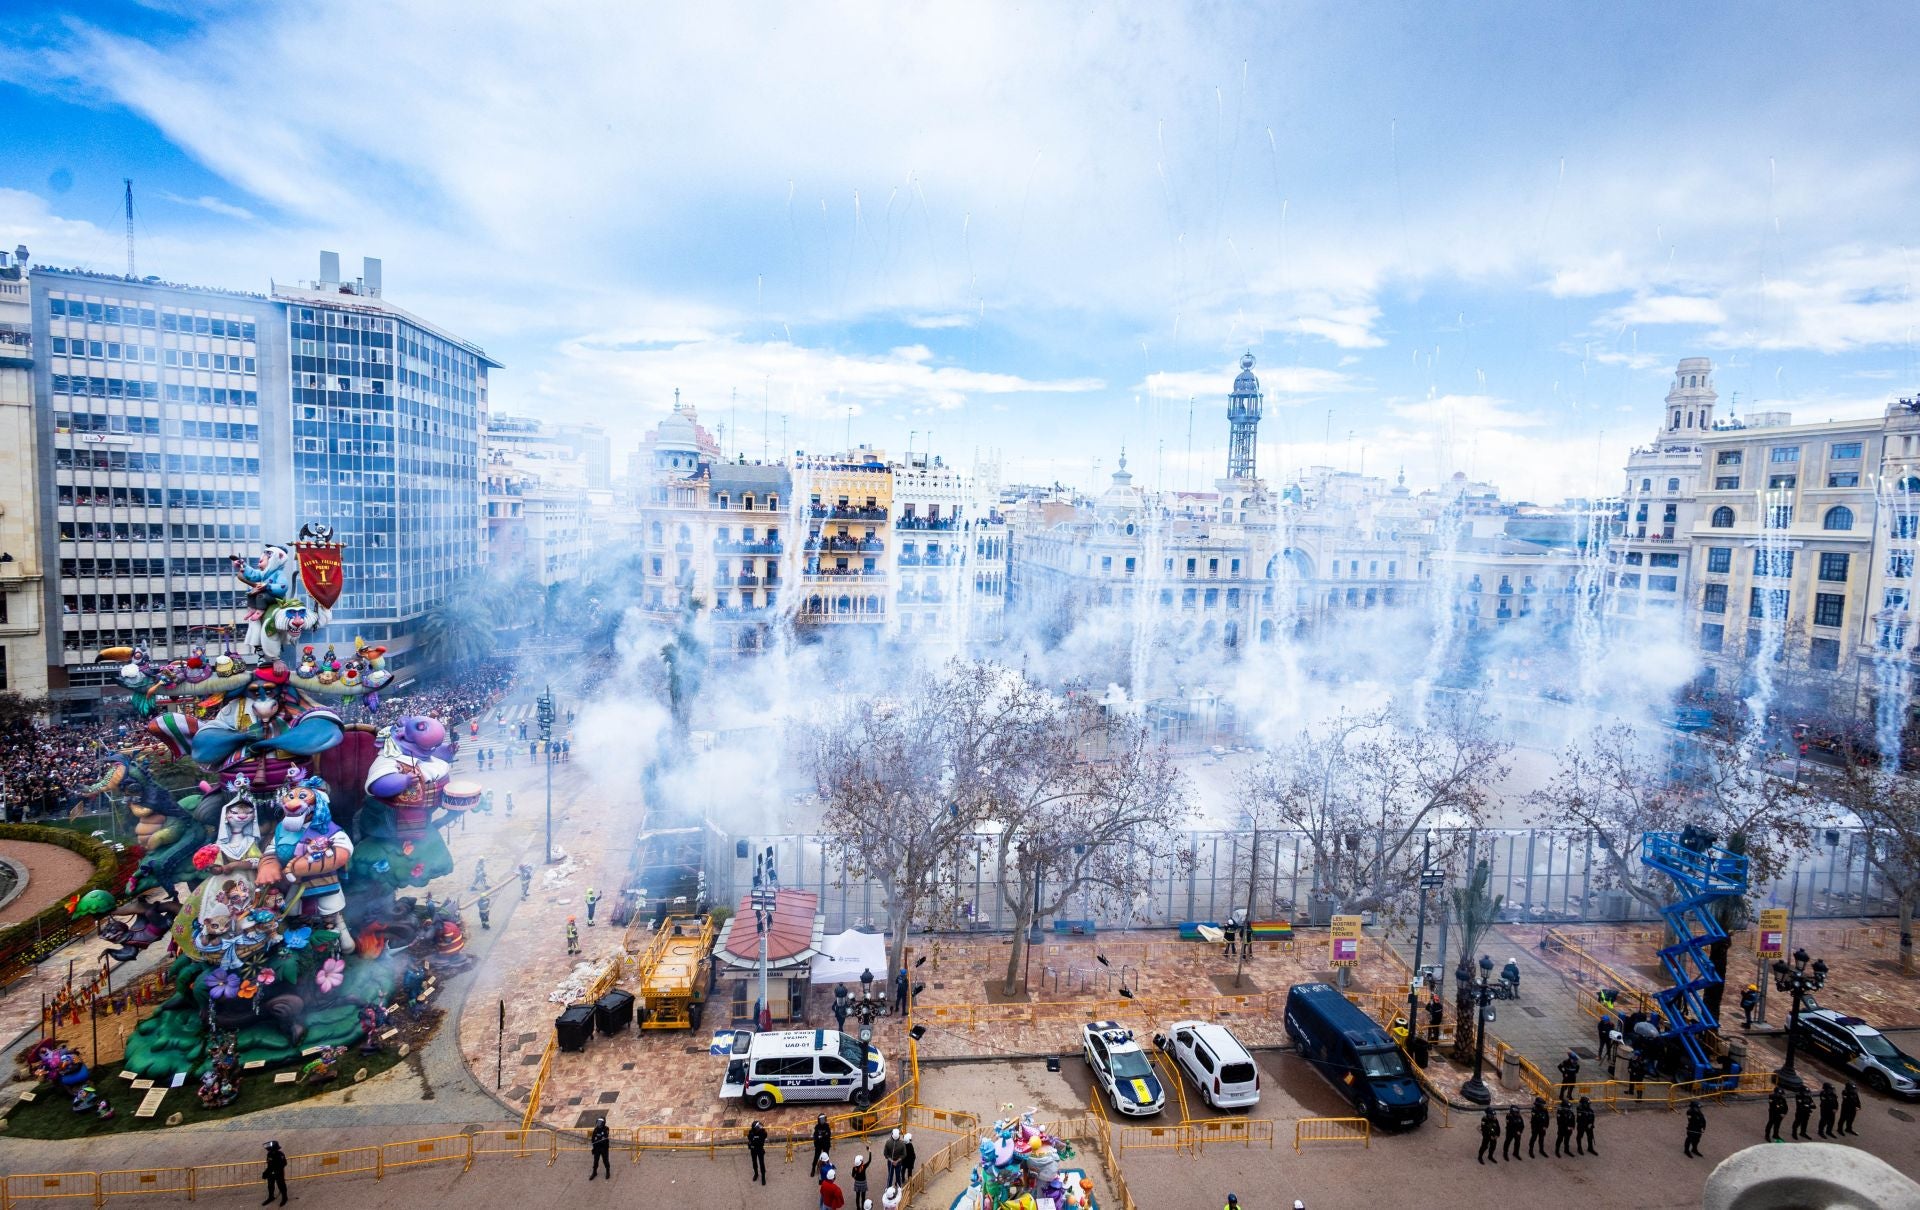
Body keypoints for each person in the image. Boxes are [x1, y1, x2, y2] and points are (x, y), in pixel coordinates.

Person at [262, 1140, 288, 1206]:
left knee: (281, 1186)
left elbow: (284, 1163)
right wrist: (266, 1173)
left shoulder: (280, 1154)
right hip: (271, 1173)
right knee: (270, 1185)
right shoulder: (269, 1154)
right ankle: (271, 1197)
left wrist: (276, 1168)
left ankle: (285, 1198)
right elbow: (269, 1165)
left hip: (279, 1173)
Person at [747, 1120, 769, 1185]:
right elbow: (750, 1139)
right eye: (758, 1127)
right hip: (753, 1150)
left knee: (761, 1163)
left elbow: (764, 1137)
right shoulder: (751, 1133)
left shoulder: (763, 1132)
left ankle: (763, 1177)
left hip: (760, 1149)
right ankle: (756, 1174)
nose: (760, 1128)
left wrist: (756, 1140)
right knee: (754, 1162)